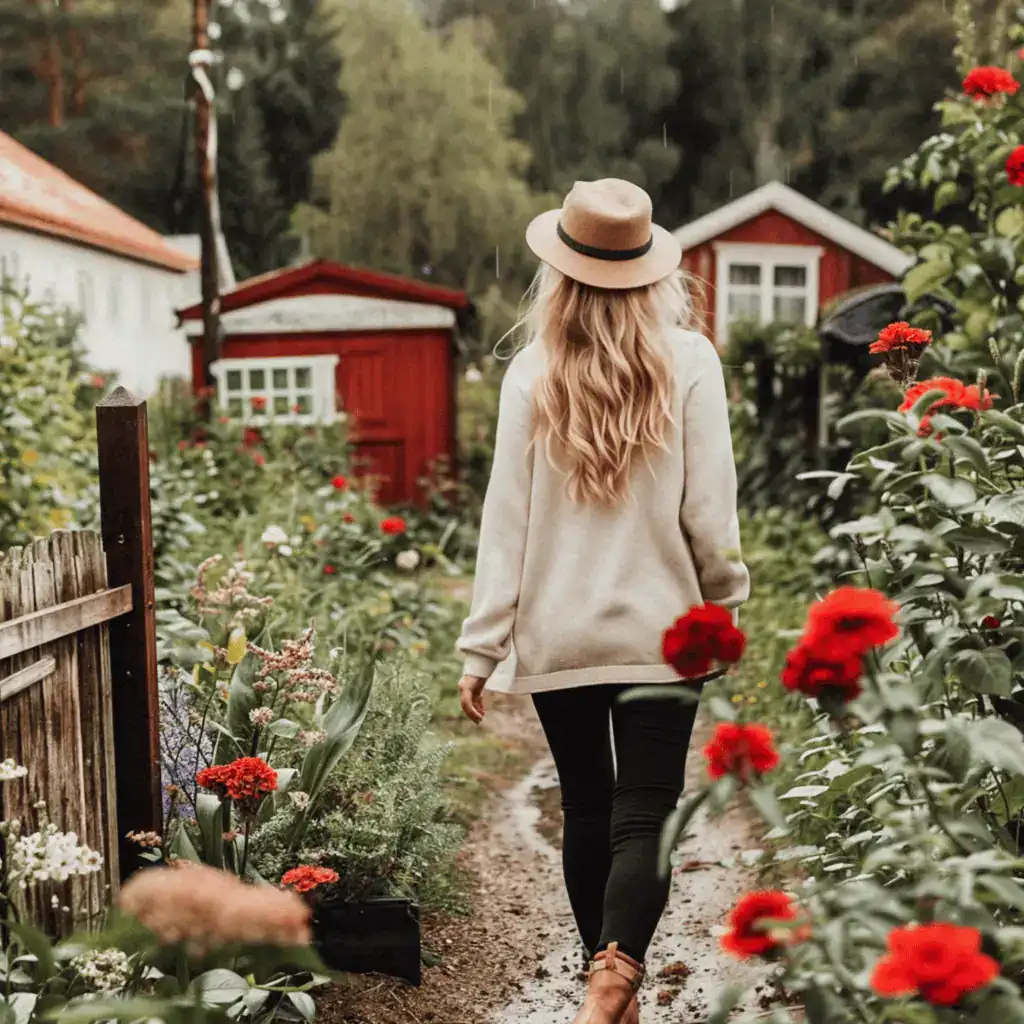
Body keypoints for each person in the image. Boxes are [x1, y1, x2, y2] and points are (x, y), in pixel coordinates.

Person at [455, 178, 750, 1024]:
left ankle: (604, 984)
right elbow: (709, 513)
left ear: (562, 272)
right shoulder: (690, 361)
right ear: (649, 271)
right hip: (665, 633)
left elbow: (503, 523)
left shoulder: (531, 372)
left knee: (586, 805)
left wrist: (483, 647)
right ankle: (614, 974)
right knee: (644, 808)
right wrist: (724, 605)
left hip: (559, 636)